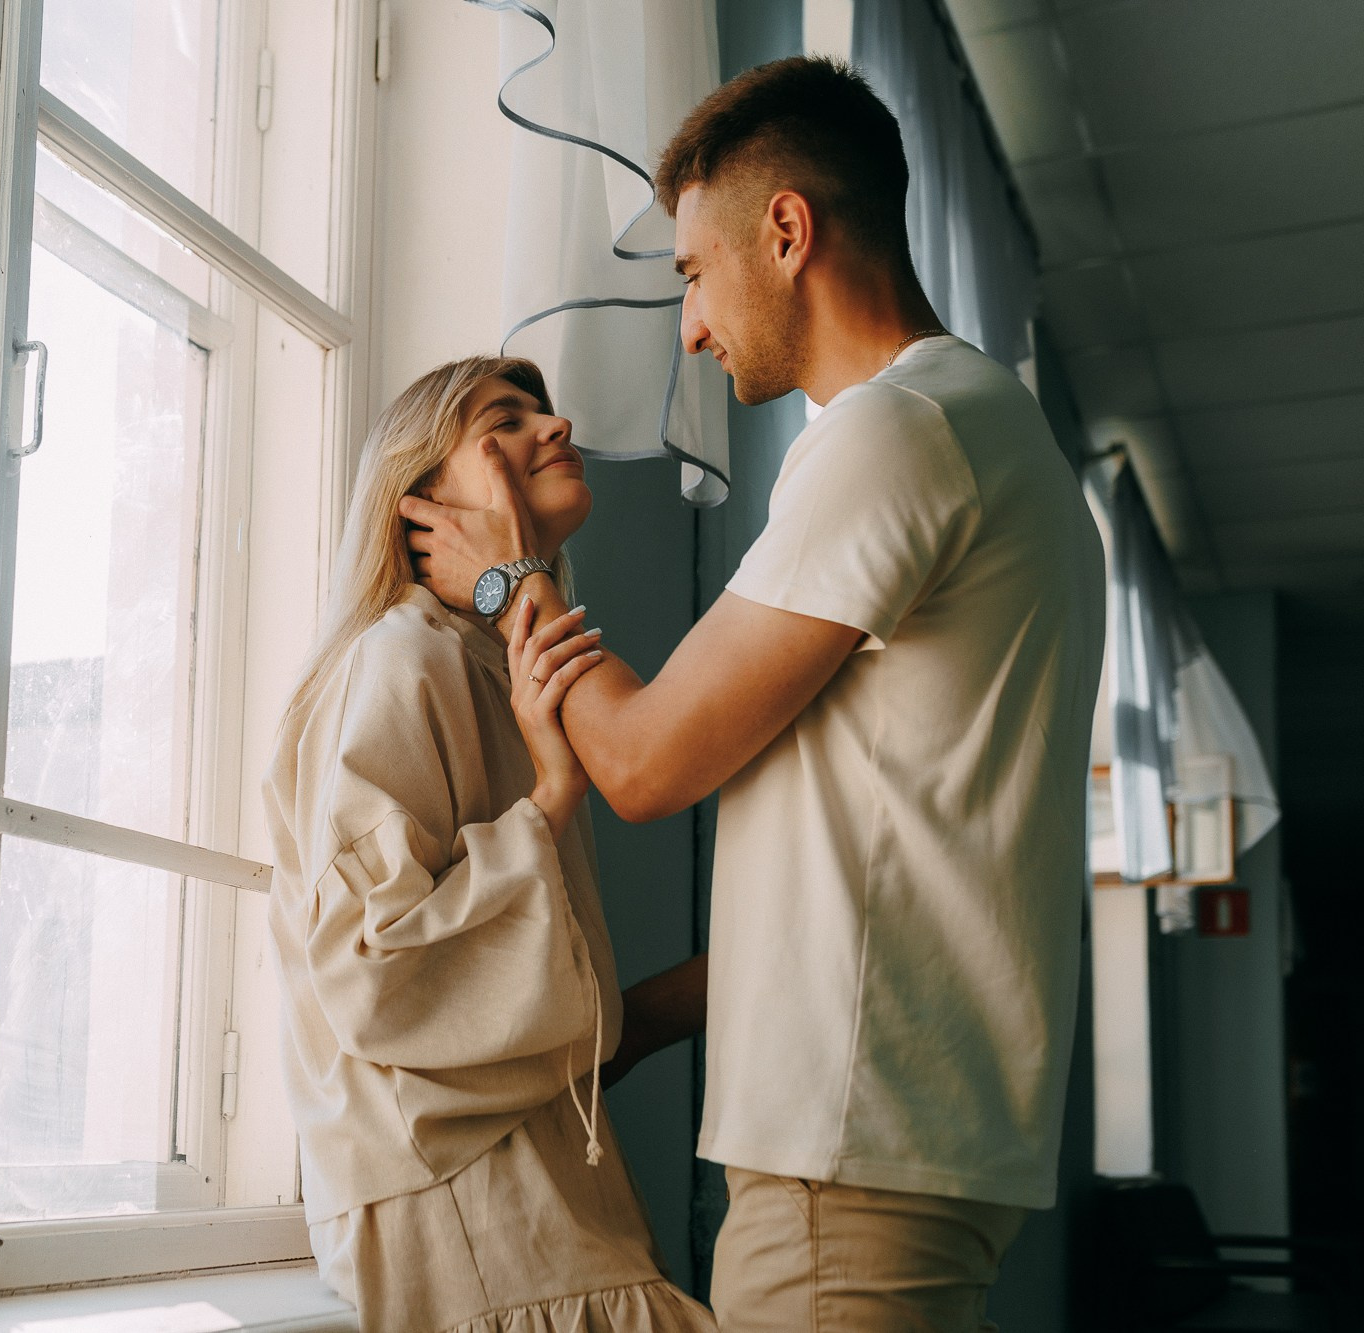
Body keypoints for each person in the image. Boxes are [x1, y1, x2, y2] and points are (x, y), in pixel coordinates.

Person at [402, 57, 1107, 1332]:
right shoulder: (987, 433)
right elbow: (870, 880)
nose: (687, 326)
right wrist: (621, 1030)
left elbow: (641, 764)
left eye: (690, 273)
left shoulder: (895, 434)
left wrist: (508, 579)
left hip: (849, 1154)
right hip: (897, 1144)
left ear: (784, 231)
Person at [264, 355, 716, 1333]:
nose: (557, 428)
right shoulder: (401, 658)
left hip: (535, 1174)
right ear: (422, 499)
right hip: (462, 1193)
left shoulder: (488, 662)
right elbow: (370, 968)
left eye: (543, 412)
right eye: (503, 422)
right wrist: (550, 799)